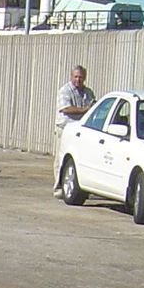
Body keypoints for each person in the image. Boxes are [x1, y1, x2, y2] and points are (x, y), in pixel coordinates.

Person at [53, 65, 96, 194]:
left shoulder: (88, 92)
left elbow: (93, 106)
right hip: (65, 129)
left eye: (81, 77)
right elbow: (66, 108)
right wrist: (85, 110)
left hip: (81, 131)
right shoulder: (65, 91)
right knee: (62, 159)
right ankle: (59, 186)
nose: (78, 80)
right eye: (76, 77)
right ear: (71, 76)